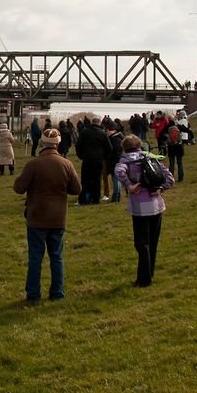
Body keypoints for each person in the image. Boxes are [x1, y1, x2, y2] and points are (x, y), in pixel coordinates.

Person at [13, 128, 81, 303]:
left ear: (42, 143)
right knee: (56, 257)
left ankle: (33, 295)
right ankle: (57, 293)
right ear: (58, 144)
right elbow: (76, 189)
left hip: (37, 216)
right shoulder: (66, 164)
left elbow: (19, 188)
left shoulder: (34, 164)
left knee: (35, 258)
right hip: (58, 218)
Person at [113, 135, 175, 287]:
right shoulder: (150, 158)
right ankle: (150, 272)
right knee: (152, 242)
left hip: (140, 208)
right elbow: (170, 178)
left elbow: (119, 171)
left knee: (142, 244)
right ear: (140, 145)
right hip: (156, 204)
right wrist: (161, 188)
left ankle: (144, 279)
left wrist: (129, 185)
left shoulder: (125, 160)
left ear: (124, 147)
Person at [75, 117, 111, 204]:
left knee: (85, 180)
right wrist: (104, 157)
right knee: (96, 180)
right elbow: (109, 147)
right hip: (98, 159)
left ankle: (84, 199)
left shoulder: (84, 132)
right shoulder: (102, 134)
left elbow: (78, 145)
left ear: (92, 123)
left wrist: (81, 156)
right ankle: (95, 199)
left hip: (87, 158)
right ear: (99, 124)